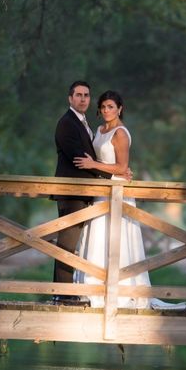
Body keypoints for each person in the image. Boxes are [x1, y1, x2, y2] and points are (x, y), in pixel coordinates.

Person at [73, 91, 186, 310]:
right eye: (103, 107)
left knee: (117, 237)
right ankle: (93, 287)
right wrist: (97, 167)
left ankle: (122, 290)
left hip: (117, 190)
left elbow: (121, 168)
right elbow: (104, 160)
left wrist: (94, 166)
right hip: (101, 188)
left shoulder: (121, 133)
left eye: (111, 107)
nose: (106, 111)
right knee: (98, 234)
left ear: (120, 108)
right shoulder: (100, 130)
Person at [51, 81, 110, 306]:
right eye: (78, 95)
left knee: (71, 242)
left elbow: (88, 159)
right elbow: (80, 159)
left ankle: (65, 291)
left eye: (86, 95)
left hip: (82, 192)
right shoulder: (66, 123)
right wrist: (111, 174)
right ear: (70, 98)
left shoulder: (83, 122)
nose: (83, 99)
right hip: (71, 193)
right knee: (66, 243)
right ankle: (62, 294)